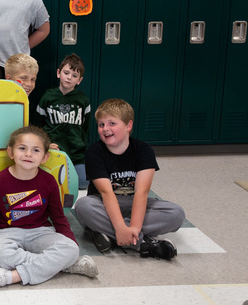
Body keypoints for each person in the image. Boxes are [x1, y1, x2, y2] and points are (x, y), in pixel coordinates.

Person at [0, 126, 98, 290]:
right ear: (11, 152)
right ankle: (64, 265)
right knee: (0, 255)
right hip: (7, 232)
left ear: (44, 157)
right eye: (22, 148)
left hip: (40, 231)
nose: (28, 154)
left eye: (35, 150)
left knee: (71, 249)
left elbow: (58, 217)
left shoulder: (49, 181)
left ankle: (10, 277)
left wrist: (70, 243)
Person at [73, 99, 185, 260]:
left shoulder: (143, 151)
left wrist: (133, 227)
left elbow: (142, 192)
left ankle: (111, 235)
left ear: (128, 126)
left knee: (176, 213)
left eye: (112, 123)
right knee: (83, 206)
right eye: (101, 124)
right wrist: (121, 227)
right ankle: (142, 243)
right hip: (104, 203)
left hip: (136, 203)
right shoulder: (94, 152)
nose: (105, 129)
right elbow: (106, 193)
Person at [35, 53, 91, 190]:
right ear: (59, 73)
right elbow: (38, 125)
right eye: (66, 73)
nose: (69, 77)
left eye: (74, 76)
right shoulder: (48, 97)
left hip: (76, 152)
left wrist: (79, 143)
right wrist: (46, 144)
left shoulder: (83, 100)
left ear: (79, 80)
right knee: (51, 182)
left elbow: (85, 126)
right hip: (54, 149)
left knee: (83, 183)